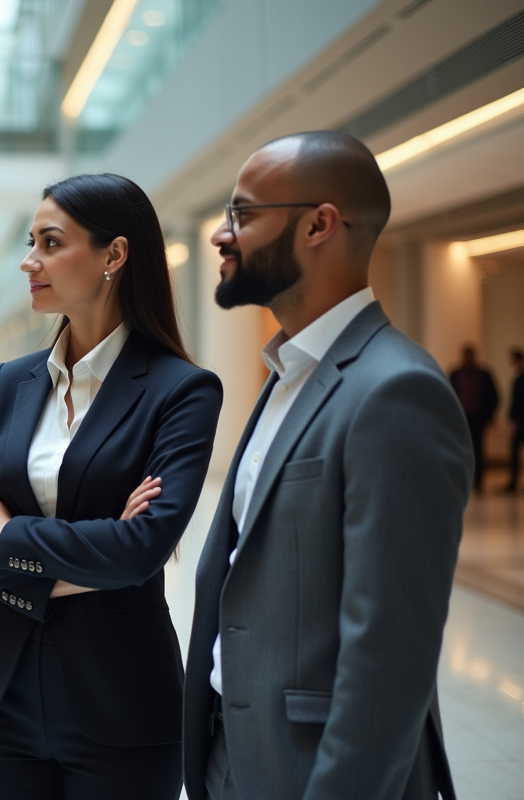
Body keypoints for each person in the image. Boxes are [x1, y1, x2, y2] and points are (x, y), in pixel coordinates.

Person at [184, 131, 471, 800]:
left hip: (311, 769)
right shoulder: (288, 373)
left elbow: (388, 660)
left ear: (319, 224)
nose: (222, 237)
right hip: (233, 752)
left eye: (243, 214)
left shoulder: (396, 391)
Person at [0, 173, 223, 800]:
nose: (27, 260)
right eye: (30, 240)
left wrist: (5, 529)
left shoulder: (181, 392)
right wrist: (99, 552)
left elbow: (141, 549)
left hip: (122, 704)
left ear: (113, 255)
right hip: (1, 698)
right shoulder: (10, 383)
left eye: (49, 242)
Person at [449, 344, 499, 493]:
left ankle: (478, 481)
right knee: (461, 449)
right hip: (461, 417)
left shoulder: (484, 374)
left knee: (478, 449)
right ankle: (462, 480)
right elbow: (448, 395)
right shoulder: (455, 374)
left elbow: (494, 396)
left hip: (478, 417)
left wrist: (490, 415)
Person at [503, 348, 524, 494]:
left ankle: (513, 482)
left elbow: (518, 402)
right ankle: (513, 481)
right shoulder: (518, 377)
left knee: (515, 452)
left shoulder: (520, 378)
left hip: (520, 421)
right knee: (514, 453)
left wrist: (514, 419)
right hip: (518, 420)